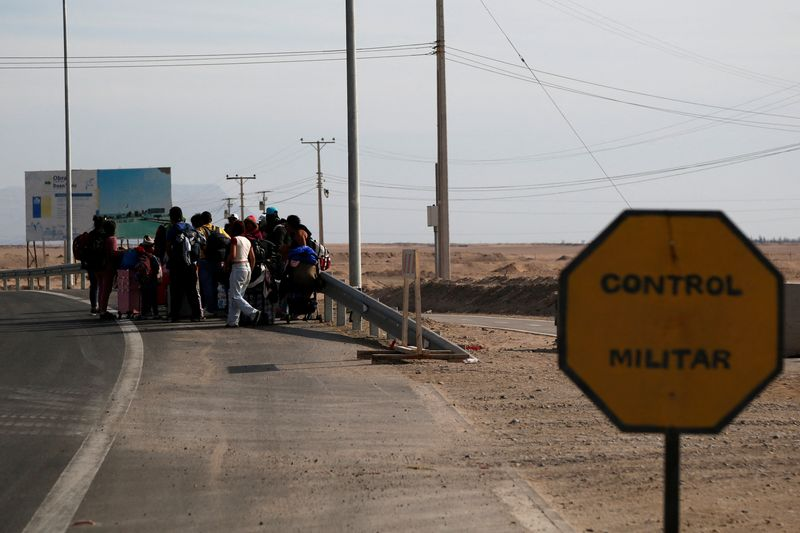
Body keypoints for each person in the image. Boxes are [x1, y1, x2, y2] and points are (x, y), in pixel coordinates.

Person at [165, 206, 203, 322]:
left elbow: (168, 247)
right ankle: (196, 315)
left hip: (177, 265)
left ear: (172, 217)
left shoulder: (173, 229)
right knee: (192, 290)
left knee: (176, 291)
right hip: (191, 264)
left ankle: (175, 316)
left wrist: (172, 258)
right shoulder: (190, 227)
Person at [225, 220, 261, 328]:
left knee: (234, 295)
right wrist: (250, 269)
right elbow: (252, 258)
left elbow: (233, 255)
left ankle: (253, 312)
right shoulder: (247, 240)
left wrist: (227, 263)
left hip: (238, 267)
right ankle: (233, 321)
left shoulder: (234, 239)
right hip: (247, 267)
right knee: (238, 296)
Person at [195, 211, 229, 316]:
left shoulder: (199, 230)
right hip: (219, 261)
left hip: (205, 260)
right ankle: (225, 307)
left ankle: (211, 309)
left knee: (208, 286)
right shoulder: (219, 229)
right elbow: (229, 240)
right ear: (211, 219)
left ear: (201, 220)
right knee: (223, 284)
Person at [135, 235, 162, 319]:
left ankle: (144, 313)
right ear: (149, 247)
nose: (153, 247)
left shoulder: (141, 255)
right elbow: (156, 268)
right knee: (153, 298)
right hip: (152, 280)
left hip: (143, 280)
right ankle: (155, 313)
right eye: (152, 246)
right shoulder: (152, 257)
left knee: (145, 298)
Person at [97, 219, 118, 320]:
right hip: (107, 268)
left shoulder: (101, 238)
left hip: (98, 266)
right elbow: (113, 254)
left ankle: (101, 309)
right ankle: (103, 312)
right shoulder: (112, 239)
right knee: (106, 290)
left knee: (101, 288)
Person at [85, 215, 106, 314]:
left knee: (94, 285)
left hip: (91, 264)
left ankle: (94, 306)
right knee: (102, 286)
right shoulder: (103, 235)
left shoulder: (91, 234)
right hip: (101, 264)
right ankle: (101, 307)